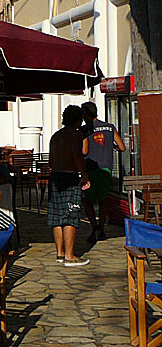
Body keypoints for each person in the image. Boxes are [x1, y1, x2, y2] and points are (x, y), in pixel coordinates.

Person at [48, 105, 91, 267]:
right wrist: (85, 175)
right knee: (71, 215)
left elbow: (51, 160)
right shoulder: (75, 135)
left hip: (55, 176)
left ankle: (59, 253)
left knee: (57, 216)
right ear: (78, 119)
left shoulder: (55, 136)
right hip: (69, 176)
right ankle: (70, 255)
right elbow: (77, 156)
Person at [80, 101, 126, 243]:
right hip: (106, 168)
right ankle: (101, 227)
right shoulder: (110, 127)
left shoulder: (84, 129)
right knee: (103, 200)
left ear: (85, 114)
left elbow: (84, 150)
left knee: (88, 201)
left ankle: (94, 227)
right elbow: (122, 147)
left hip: (91, 169)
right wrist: (111, 147)